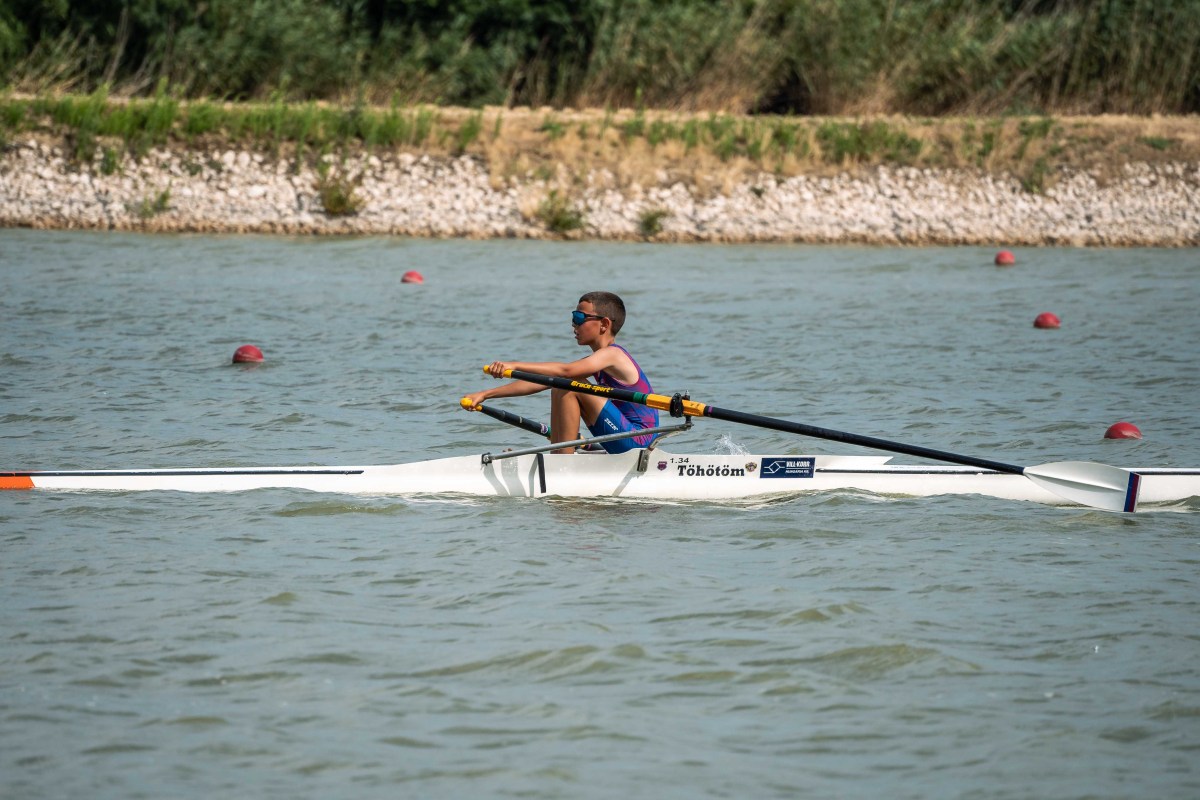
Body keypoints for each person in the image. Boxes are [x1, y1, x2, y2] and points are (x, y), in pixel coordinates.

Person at [461, 291, 658, 455]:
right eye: (573, 318)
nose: (574, 325)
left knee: (568, 385)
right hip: (624, 436)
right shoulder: (599, 360)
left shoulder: (613, 354)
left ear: (604, 324)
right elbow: (545, 380)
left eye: (579, 318)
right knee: (562, 383)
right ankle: (559, 456)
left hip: (638, 441)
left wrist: (513, 365)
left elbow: (566, 370)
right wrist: (486, 394)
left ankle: (561, 462)